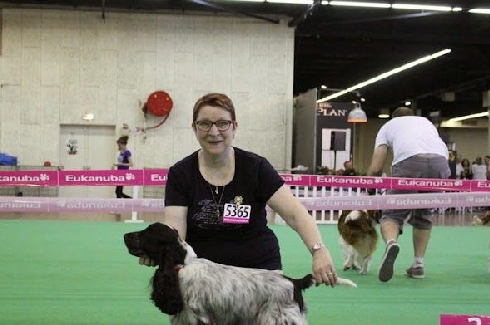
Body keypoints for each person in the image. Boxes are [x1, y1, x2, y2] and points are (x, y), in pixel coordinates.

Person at [141, 92, 338, 286]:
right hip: (205, 278)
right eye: (204, 124)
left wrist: (318, 250)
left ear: (234, 127)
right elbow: (176, 233)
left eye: (222, 123)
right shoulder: (180, 173)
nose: (214, 132)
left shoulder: (256, 168)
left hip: (258, 272)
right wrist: (159, 251)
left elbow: (295, 214)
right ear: (194, 128)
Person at [366, 107, 450, 282]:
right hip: (440, 162)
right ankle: (418, 264)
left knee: (392, 214)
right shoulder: (426, 122)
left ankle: (391, 243)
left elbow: (376, 166)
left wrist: (371, 187)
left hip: (409, 161)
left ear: (393, 118)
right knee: (424, 215)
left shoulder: (388, 126)